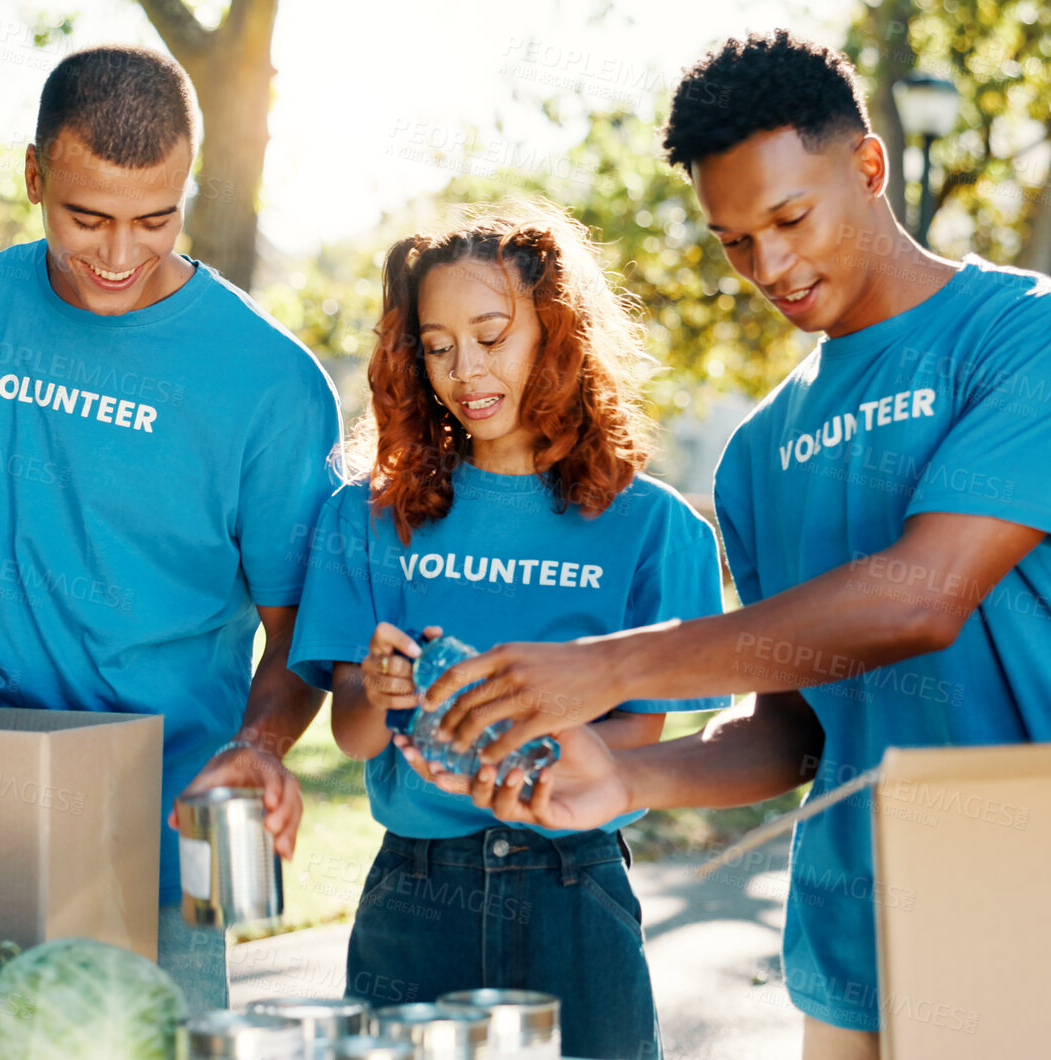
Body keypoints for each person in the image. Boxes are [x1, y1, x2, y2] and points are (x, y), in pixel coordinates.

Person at [405, 33, 1051, 1060]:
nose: (768, 266)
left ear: (867, 167)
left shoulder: (1034, 338)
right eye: (732, 241)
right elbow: (794, 732)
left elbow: (918, 598)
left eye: (788, 219)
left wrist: (608, 666)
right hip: (853, 948)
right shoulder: (759, 453)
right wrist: (629, 780)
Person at [0, 45, 340, 1009]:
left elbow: (301, 638)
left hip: (174, 833)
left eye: (155, 219)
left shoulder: (271, 383)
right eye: (87, 217)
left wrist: (259, 745)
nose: (120, 257)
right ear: (33, 174)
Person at [288, 203, 727, 1059]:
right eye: (439, 344)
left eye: (492, 335)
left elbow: (636, 739)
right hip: (415, 892)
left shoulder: (656, 529)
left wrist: (527, 736)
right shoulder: (365, 518)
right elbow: (349, 732)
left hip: (575, 887)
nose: (465, 368)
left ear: (556, 332)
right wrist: (379, 692)